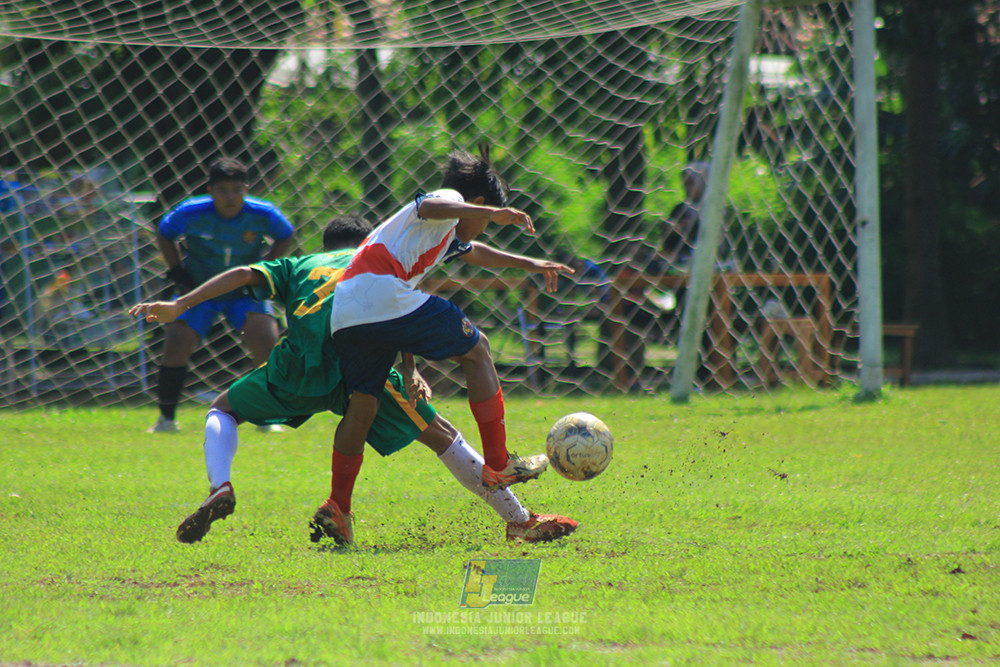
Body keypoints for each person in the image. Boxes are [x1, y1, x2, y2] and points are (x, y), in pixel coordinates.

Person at [130, 215, 578, 546]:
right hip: (360, 360)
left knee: (222, 408)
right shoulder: (375, 260)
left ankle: (221, 486)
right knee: (440, 434)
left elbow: (246, 274)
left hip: (299, 365)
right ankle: (519, 520)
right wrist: (410, 366)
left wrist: (181, 303)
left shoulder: (300, 263)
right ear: (367, 241)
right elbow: (395, 306)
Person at [324, 148, 574, 545]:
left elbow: (474, 252)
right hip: (381, 291)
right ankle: (499, 462)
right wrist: (494, 214)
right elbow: (431, 204)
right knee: (477, 349)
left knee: (363, 406)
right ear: (477, 204)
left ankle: (338, 506)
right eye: (486, 218)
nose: (485, 227)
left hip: (347, 312)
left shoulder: (439, 237)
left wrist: (531, 264)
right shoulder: (451, 201)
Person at [148, 158, 295, 434]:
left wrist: (266, 270)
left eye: (237, 189)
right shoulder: (191, 212)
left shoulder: (263, 214)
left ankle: (266, 417)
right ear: (210, 190)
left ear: (246, 189)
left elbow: (286, 235)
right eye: (223, 190)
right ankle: (166, 419)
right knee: (177, 342)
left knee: (266, 339)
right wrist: (177, 271)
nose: (231, 196)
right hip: (200, 289)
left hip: (244, 291)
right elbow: (164, 232)